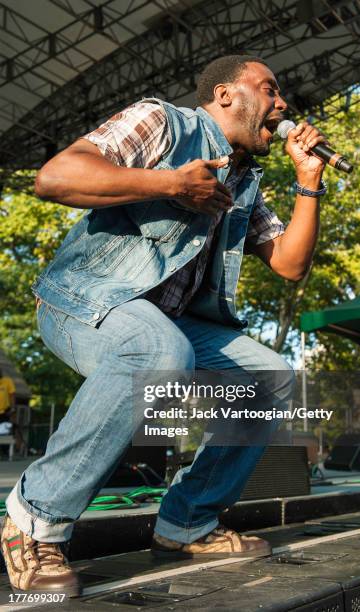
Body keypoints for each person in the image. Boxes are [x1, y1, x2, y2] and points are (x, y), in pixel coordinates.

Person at [1, 55, 328, 595]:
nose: (282, 104)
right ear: (225, 95)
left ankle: (187, 522)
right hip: (79, 301)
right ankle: (33, 519)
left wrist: (308, 182)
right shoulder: (162, 122)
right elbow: (54, 177)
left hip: (168, 324)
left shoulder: (246, 182)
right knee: (157, 349)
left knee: (269, 375)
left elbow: (290, 265)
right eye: (269, 89)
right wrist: (170, 184)